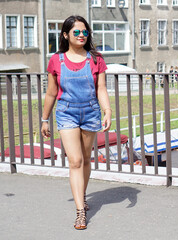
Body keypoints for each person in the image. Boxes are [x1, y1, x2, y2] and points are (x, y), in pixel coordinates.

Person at [41, 15, 112, 230]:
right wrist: (45, 119)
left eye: (85, 32)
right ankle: (80, 212)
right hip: (66, 113)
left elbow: (101, 88)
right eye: (76, 32)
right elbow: (52, 93)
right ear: (66, 35)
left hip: (90, 112)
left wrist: (107, 110)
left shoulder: (96, 59)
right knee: (75, 161)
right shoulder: (56, 60)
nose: (82, 35)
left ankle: (81, 196)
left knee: (86, 159)